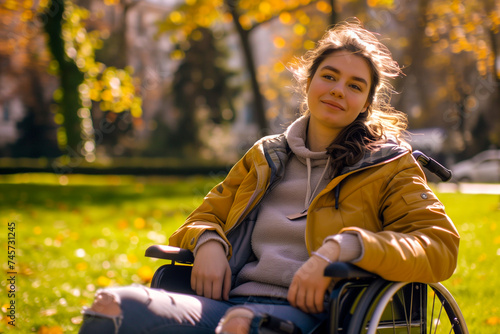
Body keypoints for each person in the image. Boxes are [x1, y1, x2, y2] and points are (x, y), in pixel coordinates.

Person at [78, 19, 459, 334]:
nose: (338, 90)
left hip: (322, 315)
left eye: (355, 85)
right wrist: (209, 241)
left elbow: (439, 246)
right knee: (110, 305)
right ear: (308, 81)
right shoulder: (266, 155)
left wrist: (346, 247)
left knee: (240, 326)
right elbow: (201, 217)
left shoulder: (389, 165)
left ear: (365, 104)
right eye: (330, 76)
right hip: (229, 302)